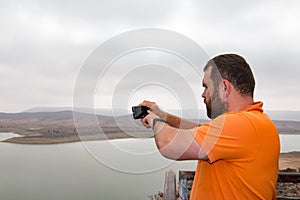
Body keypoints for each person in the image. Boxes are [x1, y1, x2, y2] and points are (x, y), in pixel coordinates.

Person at [139, 54, 280, 200]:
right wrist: (162, 115)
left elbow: (167, 143)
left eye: (206, 86)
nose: (203, 94)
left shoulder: (240, 125)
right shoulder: (256, 122)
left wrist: (154, 120)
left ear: (225, 87)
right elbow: (198, 129)